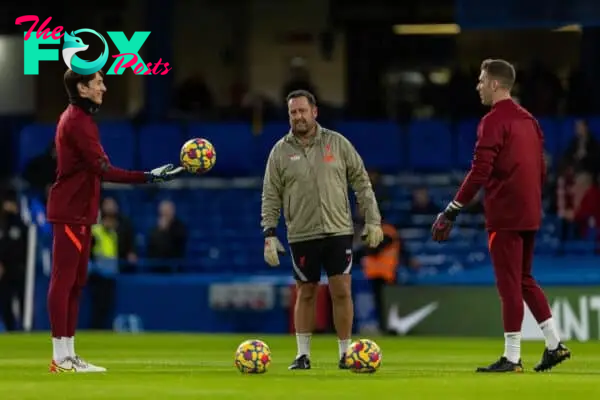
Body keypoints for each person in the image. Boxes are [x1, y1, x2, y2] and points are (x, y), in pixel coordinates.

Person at [431, 59, 570, 373]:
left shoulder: (493, 121)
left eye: (481, 80)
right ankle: (554, 344)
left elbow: (480, 172)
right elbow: (542, 168)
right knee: (524, 279)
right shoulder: (530, 121)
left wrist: (452, 209)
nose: (478, 86)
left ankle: (512, 357)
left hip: (505, 213)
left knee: (509, 285)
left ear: (495, 84)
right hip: (531, 211)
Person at [46, 69, 184, 373]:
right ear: (82, 89)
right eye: (98, 83)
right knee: (64, 281)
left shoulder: (78, 119)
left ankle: (67, 354)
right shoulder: (78, 122)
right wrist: (148, 177)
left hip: (79, 211)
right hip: (70, 211)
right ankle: (60, 356)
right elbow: (104, 170)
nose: (104, 88)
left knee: (75, 283)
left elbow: (98, 168)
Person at [261, 89, 383, 370]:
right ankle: (302, 355)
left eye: (303, 111)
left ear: (314, 112)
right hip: (302, 233)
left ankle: (345, 354)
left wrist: (373, 220)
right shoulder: (280, 151)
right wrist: (269, 232)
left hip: (339, 229)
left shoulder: (338, 143)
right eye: (293, 112)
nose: (298, 116)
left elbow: (362, 182)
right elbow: (270, 194)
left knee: (342, 290)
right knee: (306, 292)